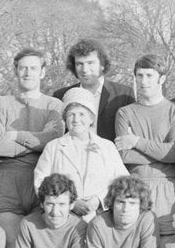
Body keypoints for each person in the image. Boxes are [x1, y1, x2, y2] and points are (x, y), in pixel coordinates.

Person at [0, 48, 64, 248]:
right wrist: (37, 144)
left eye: (33, 68)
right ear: (15, 71)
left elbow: (53, 140)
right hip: (8, 180)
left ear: (42, 72)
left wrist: (17, 136)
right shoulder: (1, 104)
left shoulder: (54, 106)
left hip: (41, 178)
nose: (28, 73)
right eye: (23, 68)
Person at [114, 54, 175, 237]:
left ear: (162, 79)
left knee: (166, 243)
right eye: (139, 76)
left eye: (149, 76)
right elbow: (124, 155)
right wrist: (161, 150)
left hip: (166, 188)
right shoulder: (125, 113)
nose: (143, 81)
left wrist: (136, 142)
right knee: (134, 243)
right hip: (135, 186)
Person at [33, 88, 127, 222]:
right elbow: (40, 183)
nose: (76, 119)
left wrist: (99, 200)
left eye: (82, 114)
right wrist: (70, 203)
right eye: (71, 114)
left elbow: (122, 181)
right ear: (65, 118)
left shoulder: (107, 147)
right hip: (64, 219)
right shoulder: (53, 148)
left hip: (101, 217)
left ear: (91, 118)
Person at [52, 38, 133, 141]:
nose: (85, 70)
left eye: (90, 63)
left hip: (110, 154)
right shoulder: (60, 96)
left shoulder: (124, 94)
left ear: (102, 65)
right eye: (79, 64)